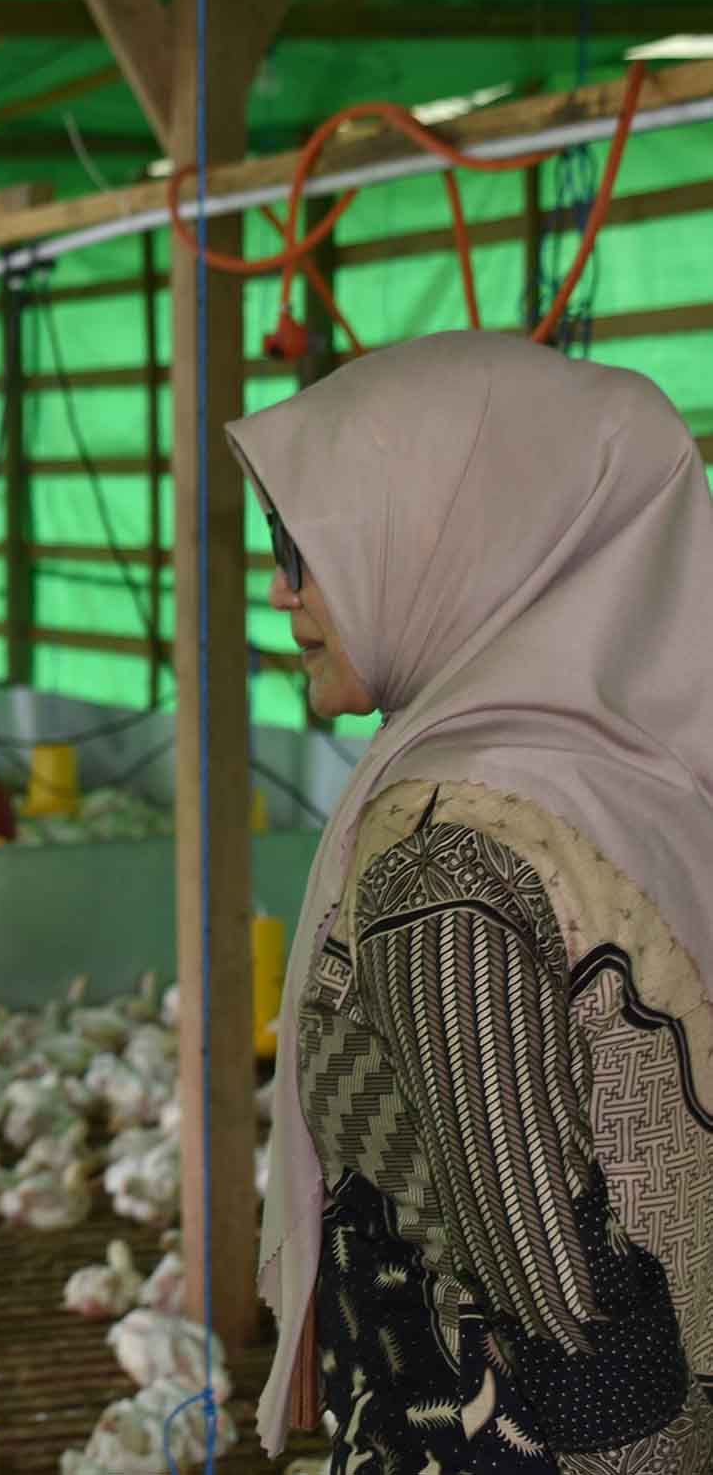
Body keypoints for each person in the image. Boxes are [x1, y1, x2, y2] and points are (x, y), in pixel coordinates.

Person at [239, 330, 713, 1472]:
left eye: (305, 548)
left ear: (444, 542)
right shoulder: (644, 793)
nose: (282, 589)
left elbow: (577, 1338)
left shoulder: (443, 866)